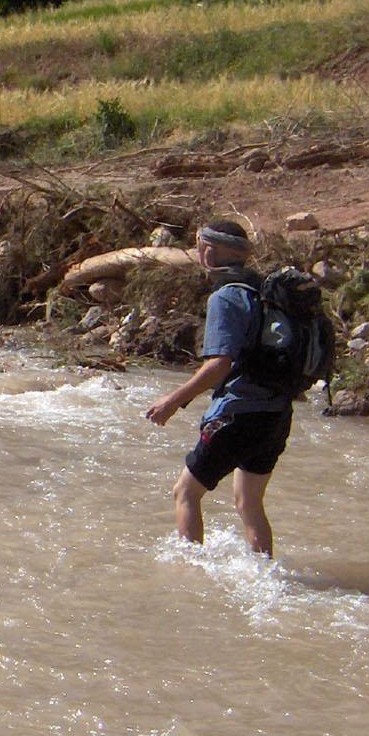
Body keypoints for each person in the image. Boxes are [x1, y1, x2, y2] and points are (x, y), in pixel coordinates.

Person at [145, 221, 291, 557]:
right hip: (277, 414)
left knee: (185, 491)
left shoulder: (226, 296)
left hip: (240, 413)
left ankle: (190, 575)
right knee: (249, 503)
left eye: (198, 246)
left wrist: (172, 400)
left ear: (208, 252)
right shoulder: (265, 292)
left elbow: (219, 365)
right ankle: (264, 575)